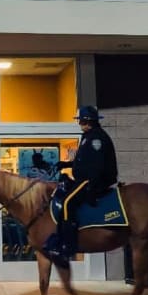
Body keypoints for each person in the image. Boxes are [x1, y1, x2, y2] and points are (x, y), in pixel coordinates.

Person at [43, 105, 118, 262]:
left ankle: (67, 245)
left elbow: (97, 165)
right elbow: (83, 161)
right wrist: (66, 164)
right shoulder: (88, 136)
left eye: (81, 121)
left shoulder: (96, 138)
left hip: (91, 181)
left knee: (67, 203)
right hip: (83, 179)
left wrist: (90, 186)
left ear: (88, 122)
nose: (80, 124)